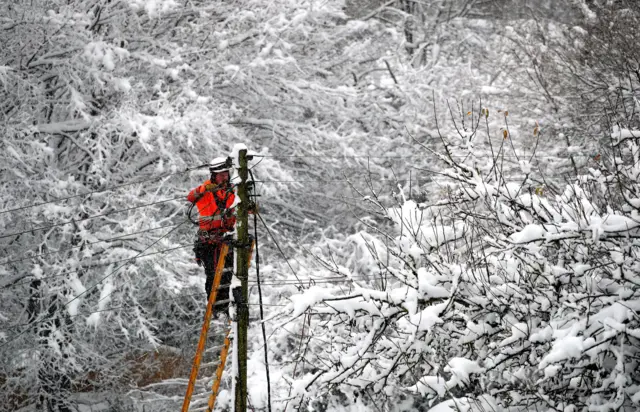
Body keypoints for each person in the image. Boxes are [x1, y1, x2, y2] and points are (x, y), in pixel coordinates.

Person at [187, 158, 236, 315]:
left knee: (228, 275)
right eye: (220, 175)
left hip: (226, 240)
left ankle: (227, 308)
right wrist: (204, 188)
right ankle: (215, 308)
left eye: (225, 174)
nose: (224, 177)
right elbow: (190, 197)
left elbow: (241, 209)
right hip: (208, 242)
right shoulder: (205, 191)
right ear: (213, 176)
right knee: (214, 276)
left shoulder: (232, 192)